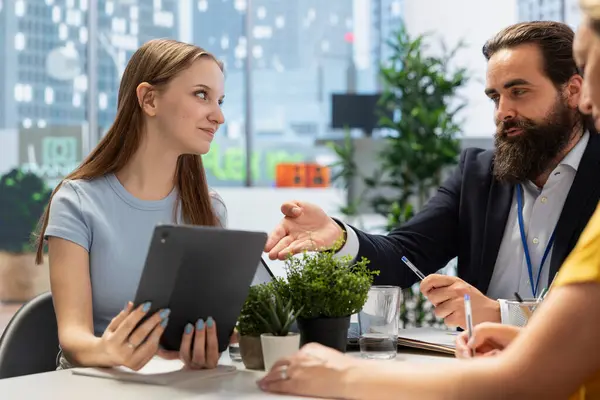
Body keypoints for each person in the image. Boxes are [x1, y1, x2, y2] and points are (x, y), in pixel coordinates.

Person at [258, 12, 600, 400]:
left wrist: (500, 314)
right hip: (479, 376)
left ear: (573, 91)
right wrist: (339, 238)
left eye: (519, 91)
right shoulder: (479, 173)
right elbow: (403, 254)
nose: (502, 111)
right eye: (495, 96)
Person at [34, 39, 228, 371]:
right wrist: (110, 352)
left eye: (220, 101)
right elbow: (73, 337)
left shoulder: (210, 211)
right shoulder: (77, 202)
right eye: (201, 95)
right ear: (149, 99)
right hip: (94, 388)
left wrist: (207, 352)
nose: (219, 116)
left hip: (179, 389)